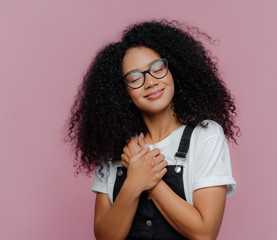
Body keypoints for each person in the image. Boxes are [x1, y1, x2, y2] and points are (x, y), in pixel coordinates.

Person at [66, 19, 240, 240]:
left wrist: (149, 179)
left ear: (173, 71)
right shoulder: (114, 147)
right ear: (124, 94)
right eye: (135, 78)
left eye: (157, 68)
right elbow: (105, 237)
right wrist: (133, 183)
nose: (150, 82)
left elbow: (204, 234)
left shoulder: (205, 136)